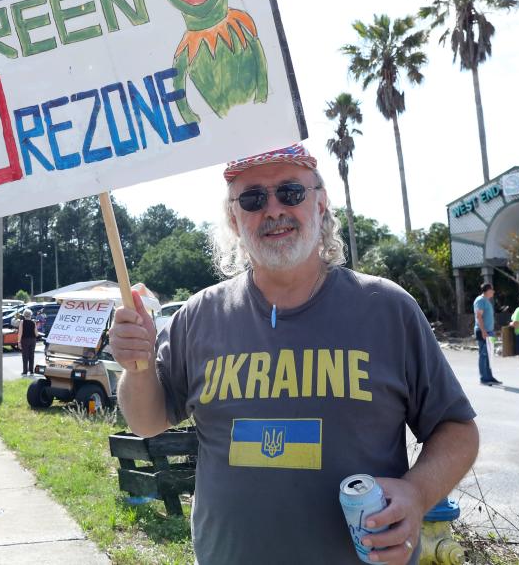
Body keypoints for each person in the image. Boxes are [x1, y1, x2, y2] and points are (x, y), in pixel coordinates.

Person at [110, 143, 478, 565]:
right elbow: (147, 421)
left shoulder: (386, 309)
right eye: (252, 199)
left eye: (290, 192)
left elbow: (458, 430)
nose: (272, 210)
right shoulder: (199, 315)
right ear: (234, 218)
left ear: (320, 204)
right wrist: (136, 369)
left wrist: (417, 493)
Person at [473, 283, 501, 385]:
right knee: (483, 355)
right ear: (487, 290)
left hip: (490, 331)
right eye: (492, 290)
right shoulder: (480, 300)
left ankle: (489, 377)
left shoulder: (487, 301)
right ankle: (483, 378)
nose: (493, 292)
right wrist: (483, 331)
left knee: (489, 355)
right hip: (483, 331)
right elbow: (479, 316)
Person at [17, 308, 37, 376]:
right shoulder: (33, 322)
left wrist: (19, 342)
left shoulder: (22, 322)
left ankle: (25, 371)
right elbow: (36, 333)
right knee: (31, 355)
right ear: (31, 315)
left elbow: (20, 332)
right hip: (33, 340)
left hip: (25, 340)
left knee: (25, 355)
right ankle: (31, 371)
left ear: (24, 315)